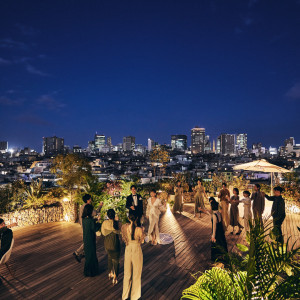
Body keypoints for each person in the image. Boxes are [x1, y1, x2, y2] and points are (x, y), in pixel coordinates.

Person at [73, 194, 102, 263]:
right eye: (90, 199)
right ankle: (78, 252)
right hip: (87, 226)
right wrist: (100, 206)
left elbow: (82, 217)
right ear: (87, 200)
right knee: (88, 241)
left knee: (87, 241)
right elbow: (95, 213)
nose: (91, 200)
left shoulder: (82, 206)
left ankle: (81, 254)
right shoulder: (87, 207)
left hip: (84, 225)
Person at [122, 213, 145, 300]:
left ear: (129, 218)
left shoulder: (124, 227)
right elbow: (142, 241)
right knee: (136, 274)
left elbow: (124, 238)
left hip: (128, 250)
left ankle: (124, 296)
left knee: (127, 274)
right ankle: (134, 297)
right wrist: (143, 231)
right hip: (136, 250)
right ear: (136, 219)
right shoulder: (139, 229)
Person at [101, 209, 121, 285]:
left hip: (107, 244)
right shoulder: (117, 223)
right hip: (115, 243)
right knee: (116, 260)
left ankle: (110, 272)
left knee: (109, 257)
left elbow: (103, 233)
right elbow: (120, 232)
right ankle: (115, 278)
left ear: (107, 215)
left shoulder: (105, 223)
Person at [82, 204, 101, 277]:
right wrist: (99, 221)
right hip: (90, 239)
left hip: (85, 238)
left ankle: (86, 271)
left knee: (88, 255)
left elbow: (90, 222)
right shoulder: (90, 221)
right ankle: (92, 272)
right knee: (92, 255)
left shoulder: (84, 219)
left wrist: (95, 219)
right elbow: (95, 228)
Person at [209, 197, 228, 262]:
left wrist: (213, 236)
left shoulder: (214, 215)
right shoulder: (218, 213)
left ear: (212, 207)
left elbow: (214, 226)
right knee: (222, 243)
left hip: (217, 231)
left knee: (215, 245)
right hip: (221, 231)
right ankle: (224, 256)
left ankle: (216, 259)